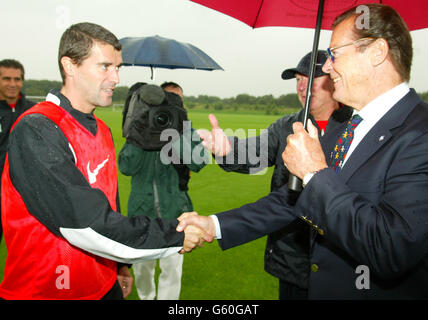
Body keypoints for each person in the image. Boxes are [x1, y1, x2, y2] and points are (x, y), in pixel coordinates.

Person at [177, 4, 428, 299]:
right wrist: (214, 224)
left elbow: (391, 247)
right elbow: (291, 201)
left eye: (335, 54)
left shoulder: (419, 134)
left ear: (376, 52)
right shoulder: (353, 128)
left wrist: (313, 172)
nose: (327, 66)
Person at [0, 22, 209, 300]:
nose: (116, 78)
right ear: (70, 66)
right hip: (47, 290)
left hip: (103, 284)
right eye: (105, 67)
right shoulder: (38, 128)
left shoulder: (102, 129)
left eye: (118, 68)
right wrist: (176, 233)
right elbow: (85, 224)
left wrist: (120, 265)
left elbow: (110, 204)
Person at [197, 51, 352, 299]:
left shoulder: (354, 128)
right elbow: (254, 153)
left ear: (333, 79)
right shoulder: (287, 126)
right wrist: (227, 150)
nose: (302, 87)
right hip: (291, 257)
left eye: (310, 78)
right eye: (298, 80)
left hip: (338, 261)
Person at [118, 81, 206, 300]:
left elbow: (199, 161)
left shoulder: (185, 128)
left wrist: (174, 134)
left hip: (176, 212)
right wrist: (142, 133)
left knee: (172, 270)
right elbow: (126, 167)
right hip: (142, 212)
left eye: (179, 101)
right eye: (168, 100)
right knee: (143, 269)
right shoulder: (142, 125)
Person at [0, 59, 36, 241]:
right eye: (7, 79)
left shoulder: (34, 111)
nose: (13, 84)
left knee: (27, 246)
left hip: (25, 193)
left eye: (17, 79)